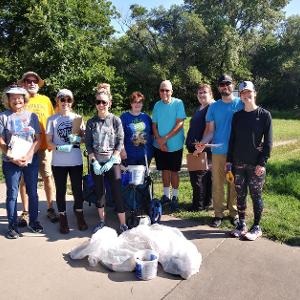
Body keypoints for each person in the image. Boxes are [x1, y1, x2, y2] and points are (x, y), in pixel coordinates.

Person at [196, 75, 244, 227]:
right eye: (222, 84)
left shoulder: (241, 104)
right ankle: (218, 214)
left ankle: (234, 213)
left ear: (232, 85)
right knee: (217, 183)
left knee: (234, 183)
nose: (225, 86)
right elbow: (210, 130)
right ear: (218, 88)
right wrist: (202, 144)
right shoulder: (214, 107)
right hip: (218, 151)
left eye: (227, 83)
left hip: (236, 152)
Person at [227, 81, 272, 240]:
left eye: (248, 92)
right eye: (243, 93)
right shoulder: (237, 116)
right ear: (240, 96)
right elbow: (232, 140)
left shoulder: (264, 115)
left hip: (255, 165)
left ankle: (257, 227)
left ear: (254, 92)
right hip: (238, 164)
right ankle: (242, 224)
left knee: (256, 195)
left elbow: (268, 143)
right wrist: (229, 162)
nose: (246, 95)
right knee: (240, 195)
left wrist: (262, 162)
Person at [0, 85, 43, 239]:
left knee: (33, 192)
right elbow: (0, 140)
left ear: (24, 99)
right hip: (11, 161)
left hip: (30, 160)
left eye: (19, 97)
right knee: (12, 194)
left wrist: (29, 155)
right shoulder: (3, 116)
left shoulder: (32, 116)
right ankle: (12, 226)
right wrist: (13, 157)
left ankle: (34, 222)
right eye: (12, 97)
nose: (16, 100)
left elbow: (38, 139)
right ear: (8, 100)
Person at [85, 85, 128, 234]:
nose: (101, 105)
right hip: (97, 162)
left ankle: (123, 224)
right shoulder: (91, 122)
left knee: (117, 191)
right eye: (98, 102)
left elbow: (120, 141)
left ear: (109, 102)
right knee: (99, 193)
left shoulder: (115, 120)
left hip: (113, 161)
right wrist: (94, 161)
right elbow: (88, 145)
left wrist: (112, 160)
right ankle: (102, 221)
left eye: (104, 102)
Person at [17, 71, 58, 225]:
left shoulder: (45, 100)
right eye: (28, 81)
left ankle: (50, 208)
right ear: (23, 84)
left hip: (43, 147)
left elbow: (52, 121)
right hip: (24, 147)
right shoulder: (20, 100)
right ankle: (25, 212)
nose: (32, 83)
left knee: (47, 176)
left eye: (35, 81)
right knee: (24, 180)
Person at [46, 89, 88, 234]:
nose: (65, 103)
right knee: (61, 190)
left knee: (77, 190)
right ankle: (63, 217)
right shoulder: (52, 119)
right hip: (58, 162)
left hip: (76, 161)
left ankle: (79, 213)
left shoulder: (77, 118)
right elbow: (49, 143)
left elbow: (84, 139)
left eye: (68, 100)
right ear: (57, 101)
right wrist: (62, 147)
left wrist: (78, 139)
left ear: (72, 102)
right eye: (62, 99)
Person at [152, 80, 186, 210]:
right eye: (162, 90)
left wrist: (165, 138)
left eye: (167, 90)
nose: (165, 92)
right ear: (159, 92)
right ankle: (166, 196)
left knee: (174, 171)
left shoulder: (178, 103)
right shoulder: (157, 105)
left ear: (171, 91)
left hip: (175, 144)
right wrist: (159, 141)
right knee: (164, 170)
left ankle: (175, 197)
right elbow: (154, 125)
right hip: (160, 145)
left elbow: (180, 123)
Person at [186, 84, 214, 211]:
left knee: (198, 177)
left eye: (204, 92)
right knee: (204, 177)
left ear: (210, 94)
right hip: (196, 148)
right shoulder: (200, 107)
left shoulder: (211, 107)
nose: (202, 95)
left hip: (202, 148)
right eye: (200, 93)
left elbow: (209, 130)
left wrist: (200, 146)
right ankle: (205, 202)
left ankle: (198, 206)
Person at [120, 91, 153, 165]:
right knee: (130, 176)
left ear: (142, 104)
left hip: (145, 155)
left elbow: (152, 135)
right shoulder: (124, 117)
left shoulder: (146, 117)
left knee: (143, 176)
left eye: (140, 102)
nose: (137, 104)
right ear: (131, 103)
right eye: (135, 102)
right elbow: (119, 136)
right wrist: (122, 150)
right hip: (129, 155)